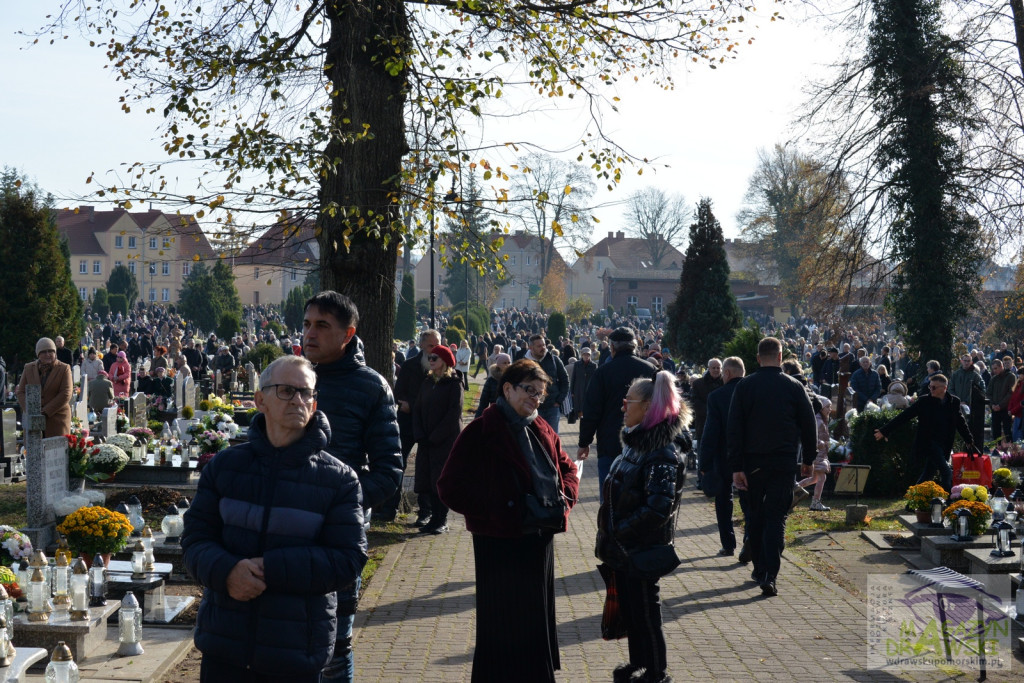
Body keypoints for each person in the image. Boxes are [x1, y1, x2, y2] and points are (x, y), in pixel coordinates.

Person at [181, 355, 368, 683]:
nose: (298, 399)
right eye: (286, 390)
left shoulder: (338, 480)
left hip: (295, 651)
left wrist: (272, 570)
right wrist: (227, 572)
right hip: (225, 648)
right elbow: (195, 540)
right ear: (260, 399)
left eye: (306, 393)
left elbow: (348, 559)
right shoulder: (225, 468)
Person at [437, 359, 579, 683]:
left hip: (539, 538)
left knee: (534, 622)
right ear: (507, 389)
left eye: (540, 394)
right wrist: (498, 509)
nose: (535, 399)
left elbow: (568, 469)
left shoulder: (541, 426)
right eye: (530, 391)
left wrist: (564, 499)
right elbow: (448, 486)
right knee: (502, 625)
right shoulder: (481, 431)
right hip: (498, 542)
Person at [300, 291, 402, 683]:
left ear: (348, 333)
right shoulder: (292, 375)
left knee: (334, 649)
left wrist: (339, 501)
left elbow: (388, 473)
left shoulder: (372, 387)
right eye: (308, 323)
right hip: (284, 530)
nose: (310, 333)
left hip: (338, 534)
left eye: (322, 326)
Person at [596, 371, 690, 683]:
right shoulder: (636, 442)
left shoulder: (660, 451)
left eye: (628, 402)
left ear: (648, 406)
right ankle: (639, 663)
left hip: (641, 548)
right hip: (625, 548)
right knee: (632, 610)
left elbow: (659, 507)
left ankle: (657, 672)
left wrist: (621, 530)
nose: (623, 407)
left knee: (646, 613)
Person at [728, 337, 817, 598]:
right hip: (783, 461)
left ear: (757, 358)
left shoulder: (745, 386)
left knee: (755, 517)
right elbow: (808, 424)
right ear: (780, 358)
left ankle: (760, 568)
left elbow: (734, 429)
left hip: (752, 462)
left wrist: (736, 466)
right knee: (776, 516)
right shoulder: (793, 386)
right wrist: (809, 460)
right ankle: (770, 574)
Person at [578, 327, 657, 501]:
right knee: (642, 495)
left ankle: (610, 526)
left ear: (612, 348)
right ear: (635, 347)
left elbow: (592, 410)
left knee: (610, 496)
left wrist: (584, 442)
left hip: (610, 441)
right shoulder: (650, 369)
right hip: (645, 440)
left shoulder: (603, 372)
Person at [874, 374, 975, 491]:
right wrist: (885, 430)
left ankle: (913, 500)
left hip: (945, 443)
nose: (930, 389)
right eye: (930, 387)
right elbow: (904, 416)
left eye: (934, 387)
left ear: (944, 388)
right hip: (929, 443)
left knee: (928, 474)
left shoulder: (954, 402)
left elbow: (960, 422)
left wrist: (968, 439)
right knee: (946, 472)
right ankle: (949, 501)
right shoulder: (924, 401)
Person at [412, 344, 463, 534]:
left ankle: (442, 519)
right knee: (427, 479)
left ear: (445, 362)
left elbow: (453, 413)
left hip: (444, 441)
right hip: (426, 440)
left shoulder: (454, 384)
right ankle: (433, 517)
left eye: (435, 358)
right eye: (430, 358)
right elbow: (417, 409)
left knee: (440, 479)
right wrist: (420, 434)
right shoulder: (427, 382)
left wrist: (436, 436)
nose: (431, 361)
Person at [699, 356, 746, 559]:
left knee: (723, 501)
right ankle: (750, 541)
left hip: (723, 456)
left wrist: (704, 462)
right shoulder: (752, 392)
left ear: (726, 373)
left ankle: (728, 544)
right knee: (748, 501)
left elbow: (711, 432)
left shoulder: (717, 396)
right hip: (749, 456)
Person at [394, 329, 441, 526]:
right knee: (399, 463)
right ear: (422, 345)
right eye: (431, 345)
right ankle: (391, 505)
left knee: (427, 468)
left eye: (438, 344)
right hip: (407, 422)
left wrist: (413, 405)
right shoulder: (409, 365)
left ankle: (426, 511)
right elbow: (399, 393)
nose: (435, 349)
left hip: (430, 424)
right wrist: (409, 405)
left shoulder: (442, 368)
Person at [16, 338, 74, 438]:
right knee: (35, 451)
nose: (48, 354)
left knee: (55, 451)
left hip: (57, 419)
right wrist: (31, 411)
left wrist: (45, 411)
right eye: (44, 352)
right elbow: (21, 392)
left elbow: (66, 393)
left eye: (51, 351)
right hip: (33, 420)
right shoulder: (29, 368)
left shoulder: (64, 368)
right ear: (38, 354)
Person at [526, 334, 569, 434]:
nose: (543, 348)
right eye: (539, 346)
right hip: (533, 408)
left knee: (553, 439)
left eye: (544, 345)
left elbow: (565, 380)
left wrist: (559, 401)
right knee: (536, 439)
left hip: (552, 407)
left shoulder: (554, 360)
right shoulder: (524, 362)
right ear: (531, 348)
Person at [796, 396, 833, 512]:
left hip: (821, 453)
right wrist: (820, 443)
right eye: (827, 407)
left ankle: (793, 489)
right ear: (821, 408)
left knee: (815, 478)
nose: (830, 409)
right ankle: (816, 502)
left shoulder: (822, 419)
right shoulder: (818, 419)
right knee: (822, 477)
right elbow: (812, 434)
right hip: (817, 452)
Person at [689, 358, 723, 444]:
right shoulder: (698, 384)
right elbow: (694, 402)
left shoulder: (725, 383)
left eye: (718, 368)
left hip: (721, 427)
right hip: (703, 425)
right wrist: (711, 411)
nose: (716, 370)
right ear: (709, 368)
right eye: (713, 368)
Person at [475, 352, 511, 418]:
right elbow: (483, 402)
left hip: (511, 415)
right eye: (504, 363)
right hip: (496, 414)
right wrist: (477, 420)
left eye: (509, 362)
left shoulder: (513, 379)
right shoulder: (491, 380)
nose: (507, 365)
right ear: (498, 364)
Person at [987, 359, 1014, 444]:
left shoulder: (1010, 376)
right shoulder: (994, 378)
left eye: (996, 368)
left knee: (1007, 431)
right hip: (995, 408)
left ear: (1001, 366)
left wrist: (1000, 405)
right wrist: (993, 405)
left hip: (1006, 408)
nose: (994, 371)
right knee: (996, 430)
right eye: (993, 369)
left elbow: (1011, 393)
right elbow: (988, 393)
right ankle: (996, 448)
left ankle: (1010, 450)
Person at [568, 346, 596, 424]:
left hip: (589, 389)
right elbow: (573, 377)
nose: (586, 356)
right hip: (578, 389)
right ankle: (581, 420)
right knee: (579, 406)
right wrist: (572, 391)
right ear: (581, 355)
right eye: (584, 354)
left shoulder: (593, 365)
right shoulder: (577, 364)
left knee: (587, 406)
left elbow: (595, 379)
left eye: (588, 355)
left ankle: (585, 421)